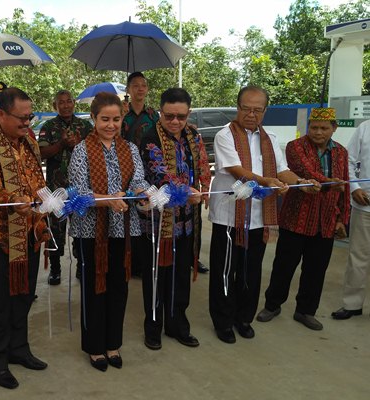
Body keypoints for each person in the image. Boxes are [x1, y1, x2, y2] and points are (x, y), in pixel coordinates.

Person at [208, 85, 303, 344]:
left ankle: (243, 318)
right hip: (229, 217)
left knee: (251, 270)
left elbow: (283, 170)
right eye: (246, 109)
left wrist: (301, 182)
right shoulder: (225, 135)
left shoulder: (270, 138)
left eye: (257, 110)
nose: (251, 114)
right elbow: (238, 171)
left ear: (265, 111)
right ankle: (223, 321)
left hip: (260, 216)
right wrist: (267, 181)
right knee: (226, 270)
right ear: (238, 108)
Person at [0, 87, 49, 389]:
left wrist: (48, 203)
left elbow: (38, 181)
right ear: (0, 114)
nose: (28, 123)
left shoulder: (28, 143)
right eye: (22, 118)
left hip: (26, 234)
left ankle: (18, 349)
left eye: (30, 117)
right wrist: (14, 199)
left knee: (23, 297)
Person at [69, 92, 149, 372]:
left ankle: (113, 343)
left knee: (119, 286)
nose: (111, 125)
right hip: (91, 231)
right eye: (105, 119)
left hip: (124, 228)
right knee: (94, 288)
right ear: (93, 118)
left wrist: (144, 193)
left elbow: (138, 179)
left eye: (116, 119)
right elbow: (78, 193)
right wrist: (107, 199)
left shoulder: (130, 149)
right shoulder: (81, 150)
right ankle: (94, 347)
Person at [256, 108, 348, 331]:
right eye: (314, 127)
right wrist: (328, 182)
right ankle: (273, 305)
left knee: (316, 270)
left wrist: (341, 220)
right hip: (296, 218)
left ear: (334, 129)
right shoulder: (295, 147)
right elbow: (304, 171)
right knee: (284, 266)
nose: (317, 132)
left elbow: (344, 186)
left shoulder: (341, 153)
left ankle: (306, 311)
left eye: (324, 128)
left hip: (325, 222)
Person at [139, 88, 211, 350]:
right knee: (157, 276)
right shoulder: (150, 138)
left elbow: (202, 164)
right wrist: (185, 191)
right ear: (161, 112)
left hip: (188, 220)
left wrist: (205, 187)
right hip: (159, 223)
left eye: (180, 116)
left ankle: (178, 325)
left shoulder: (193, 135)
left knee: (181, 275)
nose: (175, 122)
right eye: (169, 116)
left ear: (188, 113)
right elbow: (158, 174)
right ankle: (153, 328)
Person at [38, 89, 92, 285]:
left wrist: (79, 145)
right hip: (55, 189)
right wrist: (61, 143)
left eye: (69, 101)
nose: (66, 105)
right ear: (55, 106)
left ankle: (81, 266)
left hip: (80, 187)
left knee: (81, 226)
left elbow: (94, 152)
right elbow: (42, 153)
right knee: (54, 229)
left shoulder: (85, 126)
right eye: (61, 102)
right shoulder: (48, 126)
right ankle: (55, 269)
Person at [122, 72, 161, 279]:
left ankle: (145, 260)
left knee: (146, 211)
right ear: (128, 90)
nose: (139, 89)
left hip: (148, 168)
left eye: (143, 85)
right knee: (128, 212)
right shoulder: (122, 115)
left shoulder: (153, 115)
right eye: (135, 85)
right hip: (125, 168)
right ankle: (130, 261)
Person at [332, 119, 370, 320]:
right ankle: (352, 304)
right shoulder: (365, 127)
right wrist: (354, 188)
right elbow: (348, 160)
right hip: (365, 205)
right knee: (358, 256)